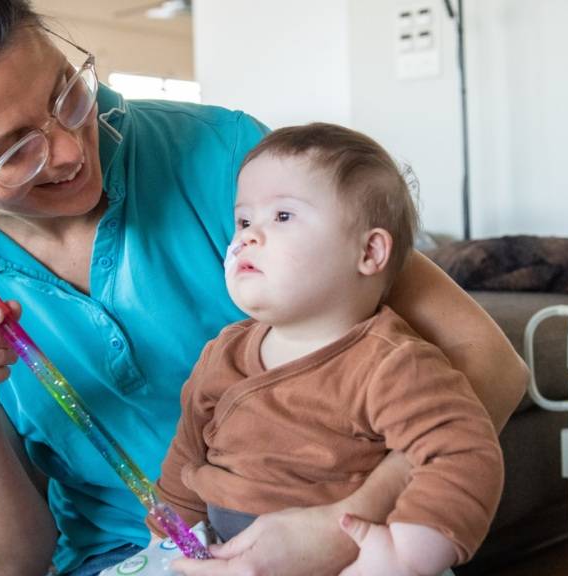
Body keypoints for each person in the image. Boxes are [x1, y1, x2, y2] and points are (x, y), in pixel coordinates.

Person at [0, 1, 527, 575]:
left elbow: (489, 364)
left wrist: (344, 524)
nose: (67, 151)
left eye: (66, 93)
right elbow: (14, 564)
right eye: (13, 152)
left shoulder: (225, 156)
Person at [149, 123, 503, 576]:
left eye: (282, 217)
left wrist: (410, 554)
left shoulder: (390, 363)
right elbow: (187, 455)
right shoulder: (223, 353)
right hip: (228, 557)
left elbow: (461, 450)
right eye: (243, 220)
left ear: (370, 252)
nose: (248, 237)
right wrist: (167, 540)